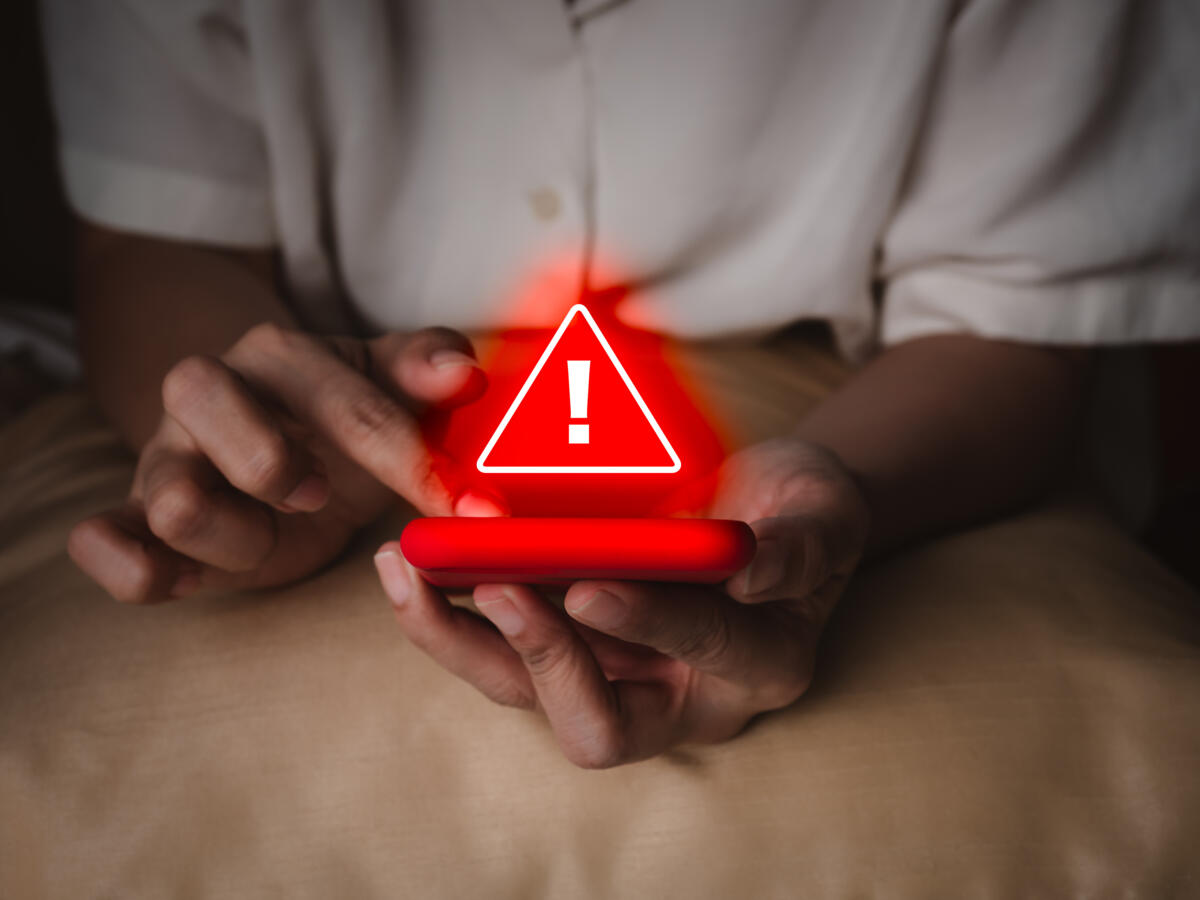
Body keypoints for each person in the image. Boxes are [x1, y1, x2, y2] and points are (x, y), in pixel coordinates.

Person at [44, 0, 1199, 768]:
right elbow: (154, 236)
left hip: (878, 404)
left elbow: (1015, 317)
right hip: (361, 401)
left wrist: (835, 492)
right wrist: (260, 446)